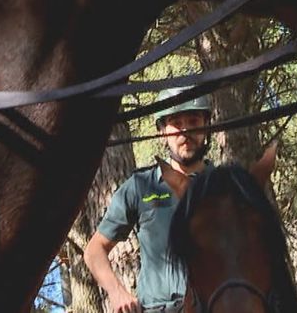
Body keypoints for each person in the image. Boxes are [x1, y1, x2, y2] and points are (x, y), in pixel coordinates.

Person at [85, 88, 215, 313]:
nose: (185, 131)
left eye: (194, 121)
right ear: (163, 131)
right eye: (176, 123)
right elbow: (94, 250)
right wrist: (117, 292)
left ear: (207, 125)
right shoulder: (140, 186)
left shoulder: (225, 186)